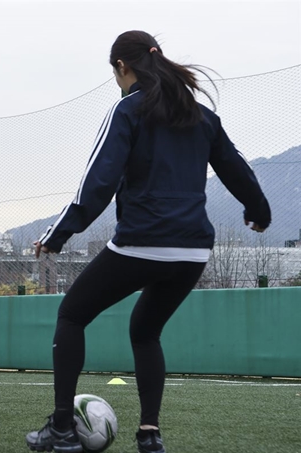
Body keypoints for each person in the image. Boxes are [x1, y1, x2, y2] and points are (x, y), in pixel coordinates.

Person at [25, 30, 271, 453]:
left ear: (123, 67)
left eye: (115, 74)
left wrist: (58, 234)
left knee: (71, 315)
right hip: (193, 250)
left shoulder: (128, 109)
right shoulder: (202, 116)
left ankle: (62, 428)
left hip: (141, 243)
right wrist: (258, 210)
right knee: (145, 331)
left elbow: (98, 181)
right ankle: (149, 435)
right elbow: (236, 167)